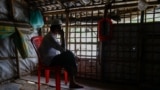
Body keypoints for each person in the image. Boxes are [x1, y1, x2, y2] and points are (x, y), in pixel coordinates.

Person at [38, 19, 83, 88]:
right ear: (56, 28)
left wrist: (74, 55)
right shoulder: (50, 37)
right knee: (68, 55)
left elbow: (62, 49)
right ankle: (74, 75)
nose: (61, 29)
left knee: (68, 58)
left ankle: (72, 82)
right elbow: (63, 50)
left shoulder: (53, 36)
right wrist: (62, 36)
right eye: (60, 27)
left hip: (53, 58)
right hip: (49, 61)